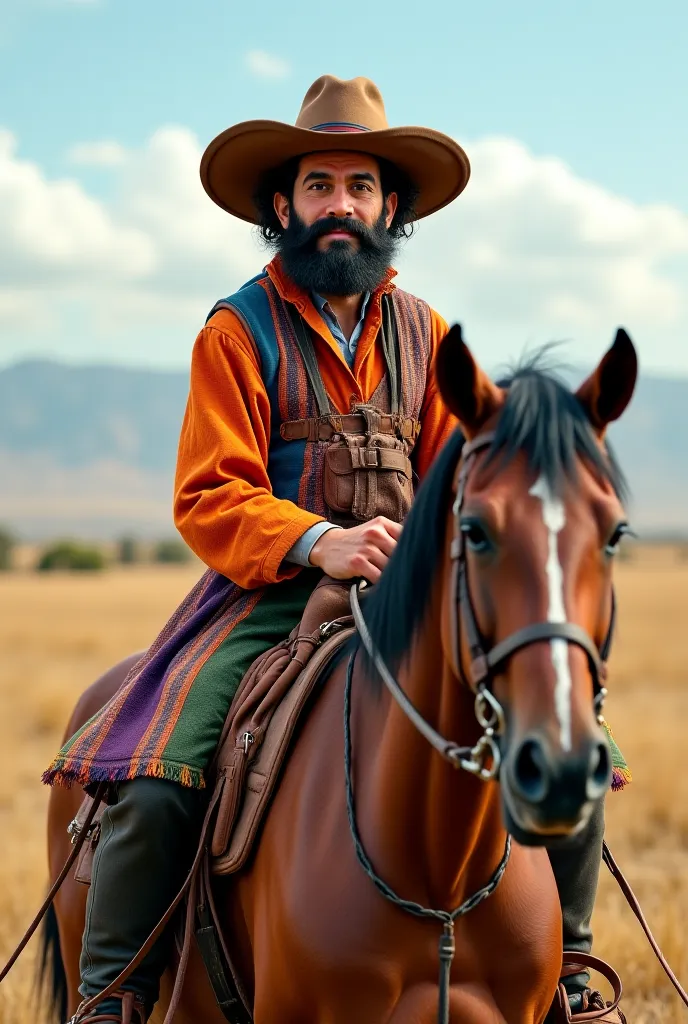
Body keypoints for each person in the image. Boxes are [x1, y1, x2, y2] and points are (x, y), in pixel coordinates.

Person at [44, 75, 617, 1023]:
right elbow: (208, 493)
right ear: (283, 205)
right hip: (265, 592)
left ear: (393, 205)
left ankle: (571, 974)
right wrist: (318, 541)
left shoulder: (429, 336)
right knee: (156, 770)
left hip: (416, 595)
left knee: (572, 742)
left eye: (360, 185)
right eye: (318, 185)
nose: (338, 205)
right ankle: (111, 998)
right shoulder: (237, 331)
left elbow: (459, 480)